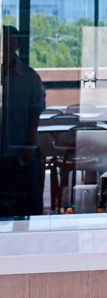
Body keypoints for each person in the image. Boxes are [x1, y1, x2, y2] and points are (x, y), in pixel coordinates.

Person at [0, 26, 46, 217]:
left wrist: (29, 146)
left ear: (17, 44)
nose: (6, 44)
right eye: (3, 40)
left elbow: (35, 112)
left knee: (26, 206)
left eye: (10, 40)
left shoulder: (29, 77)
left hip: (21, 149)